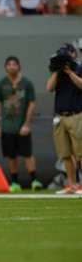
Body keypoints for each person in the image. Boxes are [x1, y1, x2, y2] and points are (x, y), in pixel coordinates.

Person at [0, 56, 42, 192]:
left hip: (22, 126)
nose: (12, 67)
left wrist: (27, 124)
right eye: (9, 64)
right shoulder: (2, 84)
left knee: (27, 154)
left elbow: (32, 104)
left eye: (14, 64)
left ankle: (34, 180)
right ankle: (14, 183)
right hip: (8, 126)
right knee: (11, 155)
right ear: (5, 67)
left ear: (18, 66)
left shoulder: (26, 83)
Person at [46, 43, 82, 195]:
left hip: (77, 115)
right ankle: (71, 184)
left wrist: (69, 72)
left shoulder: (79, 69)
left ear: (73, 54)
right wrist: (56, 71)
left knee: (81, 153)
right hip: (60, 116)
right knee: (66, 154)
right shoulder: (58, 73)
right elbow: (49, 88)